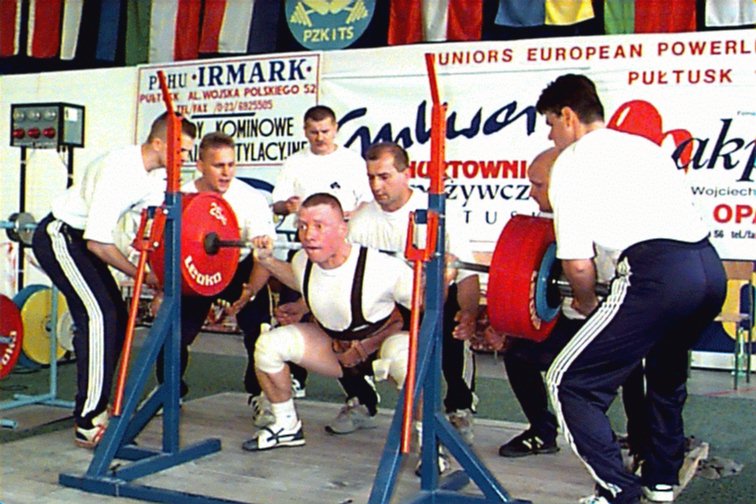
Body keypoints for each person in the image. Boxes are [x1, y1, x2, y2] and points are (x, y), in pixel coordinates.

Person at [536, 74, 726, 504]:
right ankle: (661, 482)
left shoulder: (571, 162)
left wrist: (585, 301)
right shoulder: (644, 147)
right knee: (664, 376)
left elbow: (577, 263)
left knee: (569, 382)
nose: (550, 136)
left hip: (658, 276)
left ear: (568, 116)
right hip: (708, 270)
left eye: (550, 124)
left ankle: (617, 491)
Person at [31, 112, 198, 448]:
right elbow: (98, 243)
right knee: (100, 316)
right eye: (180, 150)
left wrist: (162, 276)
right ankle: (88, 421)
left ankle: (96, 402)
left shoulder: (156, 176)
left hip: (84, 242)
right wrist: (142, 275)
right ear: (158, 143)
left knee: (117, 318)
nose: (184, 158)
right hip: (60, 237)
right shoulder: (119, 170)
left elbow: (156, 231)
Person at [496, 147, 647, 461]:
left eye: (538, 185)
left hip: (617, 320)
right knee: (519, 355)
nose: (531, 192)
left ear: (562, 184)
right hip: (574, 317)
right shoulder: (552, 220)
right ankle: (542, 431)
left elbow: (628, 287)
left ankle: (643, 445)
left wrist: (591, 301)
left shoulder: (605, 226)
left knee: (632, 367)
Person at [332, 142, 479, 445]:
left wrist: (469, 314)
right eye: (371, 177)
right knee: (335, 325)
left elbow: (465, 274)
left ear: (406, 174)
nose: (376, 186)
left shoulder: (438, 213)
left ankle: (459, 407)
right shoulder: (361, 222)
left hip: (433, 300)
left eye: (384, 177)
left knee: (454, 328)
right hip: (387, 304)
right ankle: (362, 399)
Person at [241, 193, 413, 452]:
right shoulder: (303, 262)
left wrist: (445, 276)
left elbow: (427, 305)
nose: (309, 235)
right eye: (303, 226)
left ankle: (428, 441)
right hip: (337, 351)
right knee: (268, 346)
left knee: (408, 363)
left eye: (319, 226)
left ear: (343, 229)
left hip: (382, 347)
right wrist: (266, 260)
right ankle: (286, 425)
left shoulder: (383, 269)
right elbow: (299, 279)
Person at [151, 132, 277, 428]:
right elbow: (161, 249)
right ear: (200, 166)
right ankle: (169, 391)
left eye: (231, 165)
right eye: (218, 165)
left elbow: (265, 255)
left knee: (260, 332)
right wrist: (162, 291)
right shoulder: (180, 198)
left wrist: (250, 292)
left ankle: (260, 394)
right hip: (192, 270)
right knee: (172, 331)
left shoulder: (250, 198)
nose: (226, 173)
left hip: (238, 268)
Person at [271, 105, 373, 397]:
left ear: (336, 129)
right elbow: (278, 204)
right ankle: (294, 377)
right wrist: (287, 206)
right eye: (314, 132)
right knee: (292, 308)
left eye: (325, 131)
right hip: (306, 245)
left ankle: (360, 381)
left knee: (341, 313)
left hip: (342, 247)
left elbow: (368, 201)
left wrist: (349, 215)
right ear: (305, 131)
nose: (320, 137)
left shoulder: (352, 161)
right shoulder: (294, 162)